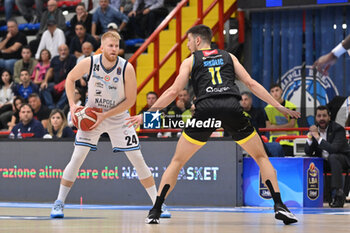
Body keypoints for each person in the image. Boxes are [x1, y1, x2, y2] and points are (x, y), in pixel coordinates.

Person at [126, 24, 299, 225]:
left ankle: (155, 210)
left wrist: (146, 115)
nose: (188, 45)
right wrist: (279, 105)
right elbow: (251, 84)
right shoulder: (229, 57)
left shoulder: (190, 61)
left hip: (205, 109)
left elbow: (173, 91)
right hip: (231, 107)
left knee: (177, 162)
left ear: (198, 40)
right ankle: (279, 205)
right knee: (261, 157)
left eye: (189, 41)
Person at [50, 30, 170, 219]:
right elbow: (70, 79)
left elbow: (130, 100)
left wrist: (105, 116)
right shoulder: (90, 62)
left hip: (118, 117)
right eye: (110, 46)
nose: (114, 49)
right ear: (103, 47)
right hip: (92, 114)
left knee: (138, 159)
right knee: (77, 157)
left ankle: (158, 204)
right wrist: (73, 106)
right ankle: (59, 203)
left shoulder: (126, 67)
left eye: (116, 46)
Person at [304, 105, 350, 208]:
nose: (321, 119)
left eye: (324, 116)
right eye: (319, 116)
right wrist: (310, 139)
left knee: (333, 157)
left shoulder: (338, 129)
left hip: (342, 160)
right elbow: (308, 152)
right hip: (325, 162)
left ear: (329, 117)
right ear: (315, 118)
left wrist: (317, 137)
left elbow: (333, 149)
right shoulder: (314, 130)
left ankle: (339, 193)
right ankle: (310, 195)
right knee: (310, 161)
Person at [264, 84, 299, 156]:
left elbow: (292, 125)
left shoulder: (291, 106)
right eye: (272, 91)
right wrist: (285, 126)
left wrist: (275, 127)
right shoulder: (267, 109)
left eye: (277, 90)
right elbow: (268, 128)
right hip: (275, 142)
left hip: (290, 141)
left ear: (281, 91)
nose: (275, 93)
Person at [40, 44, 76, 109]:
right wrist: (45, 81)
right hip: (56, 83)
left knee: (69, 89)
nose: (63, 52)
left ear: (68, 50)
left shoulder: (72, 58)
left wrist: (67, 82)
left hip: (67, 83)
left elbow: (74, 72)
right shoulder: (55, 59)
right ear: (58, 52)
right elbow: (50, 70)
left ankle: (58, 107)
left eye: (65, 50)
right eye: (61, 50)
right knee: (44, 88)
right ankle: (51, 107)